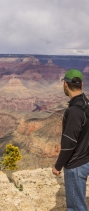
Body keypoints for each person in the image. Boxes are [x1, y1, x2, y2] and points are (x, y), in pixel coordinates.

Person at [52, 69, 89, 210]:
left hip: (76, 165)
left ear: (65, 85)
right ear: (81, 84)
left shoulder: (74, 111)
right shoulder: (86, 104)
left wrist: (58, 165)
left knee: (76, 207)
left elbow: (69, 143)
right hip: (86, 158)